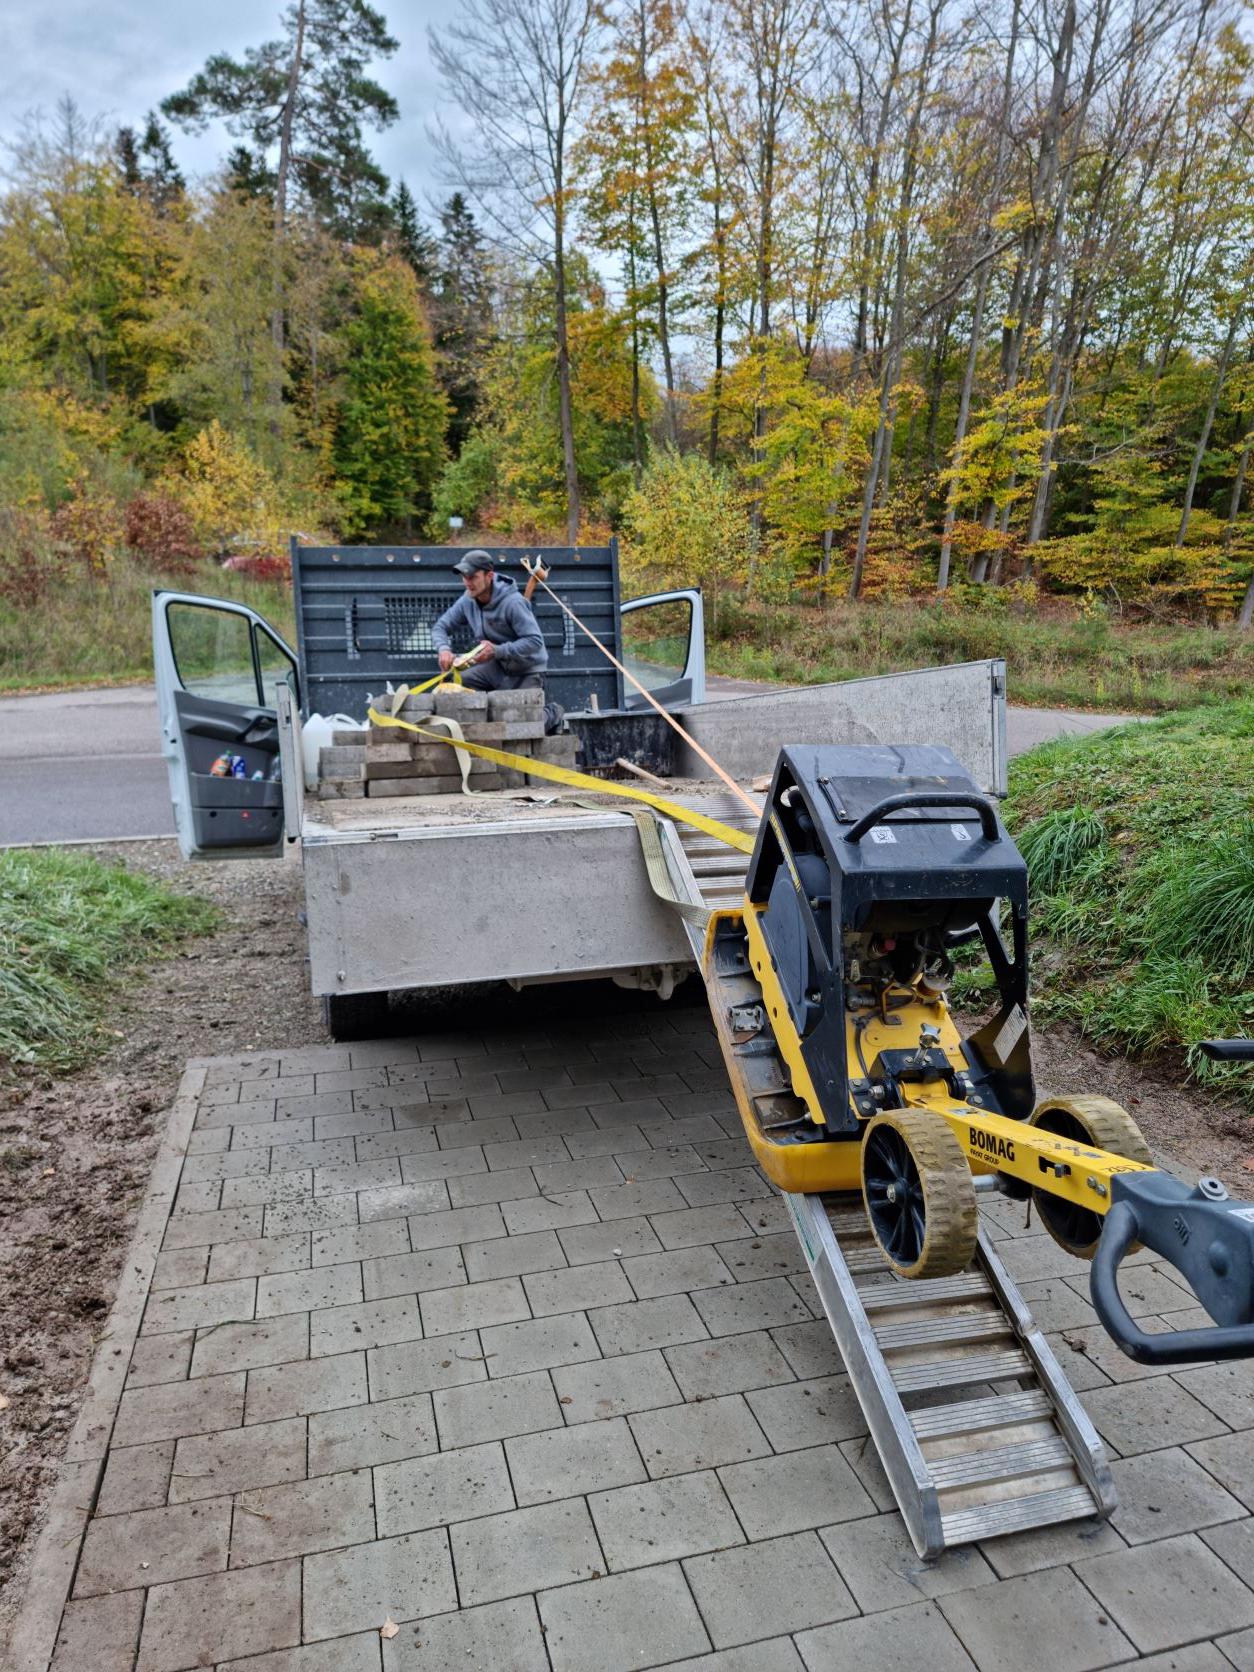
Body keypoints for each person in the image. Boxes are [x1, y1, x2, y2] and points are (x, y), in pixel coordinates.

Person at [432, 549, 564, 729]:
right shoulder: (467, 600)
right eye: (464, 577)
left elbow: (534, 641)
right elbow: (440, 627)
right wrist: (444, 649)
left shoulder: (513, 602)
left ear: (489, 576)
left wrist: (497, 650)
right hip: (497, 668)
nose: (468, 583)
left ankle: (553, 713)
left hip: (526, 670)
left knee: (522, 726)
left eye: (473, 577)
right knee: (455, 684)